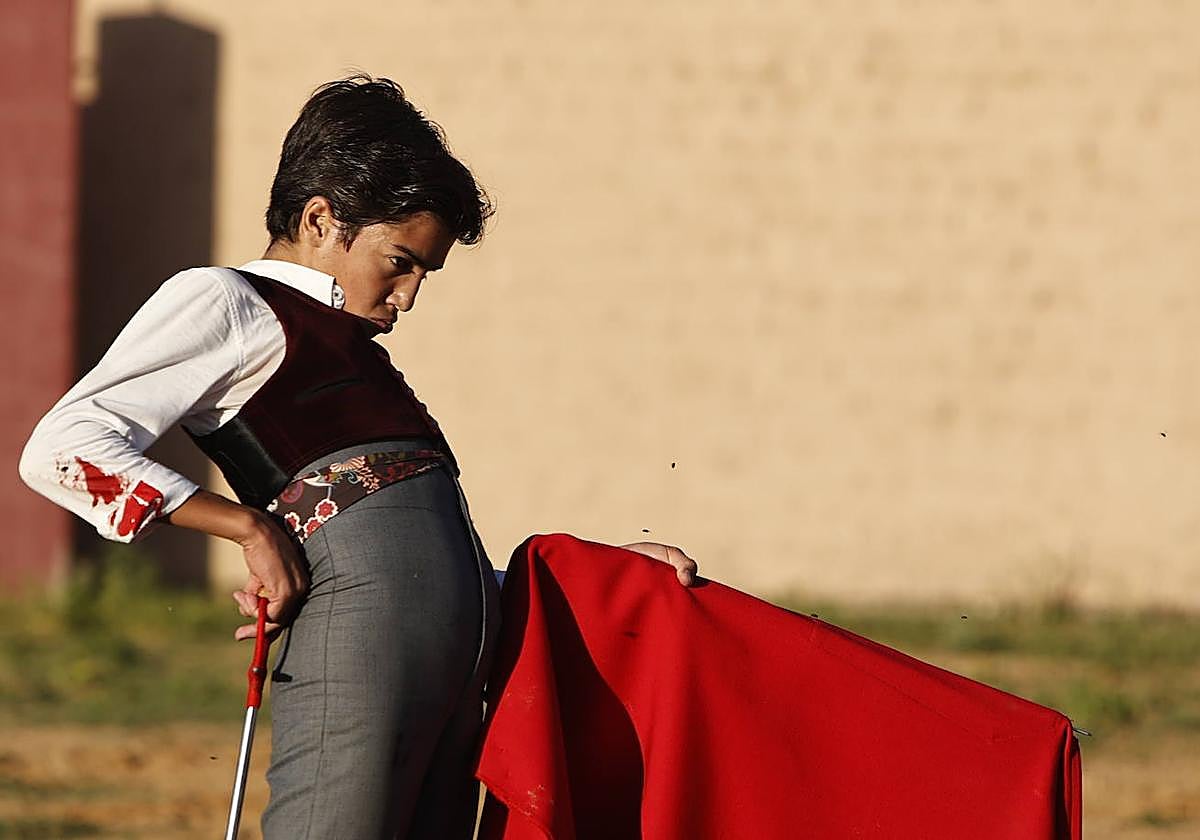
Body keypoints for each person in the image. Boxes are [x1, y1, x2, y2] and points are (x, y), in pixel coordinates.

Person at [18, 75, 697, 839]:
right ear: (320, 219)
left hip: (453, 658)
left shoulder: (353, 349)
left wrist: (599, 581)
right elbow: (63, 448)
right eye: (400, 261)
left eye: (423, 275)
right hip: (364, 639)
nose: (407, 297)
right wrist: (247, 528)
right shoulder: (226, 300)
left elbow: (411, 548)